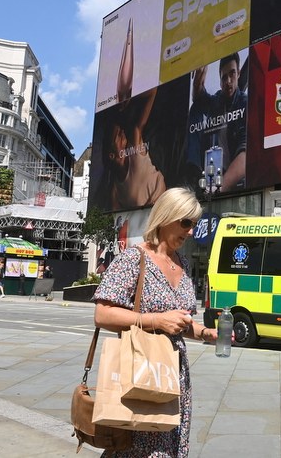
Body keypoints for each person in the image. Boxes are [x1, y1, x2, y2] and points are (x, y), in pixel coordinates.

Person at [93, 187, 220, 458]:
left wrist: (206, 332)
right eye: (185, 223)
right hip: (140, 369)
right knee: (135, 446)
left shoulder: (182, 264)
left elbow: (181, 323)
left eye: (194, 225)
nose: (190, 232)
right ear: (166, 216)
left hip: (173, 374)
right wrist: (155, 321)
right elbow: (103, 314)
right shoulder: (133, 258)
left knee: (169, 445)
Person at [187, 53, 247, 192]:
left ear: (238, 73)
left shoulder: (244, 103)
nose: (228, 81)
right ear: (220, 81)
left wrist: (218, 190)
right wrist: (202, 70)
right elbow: (198, 97)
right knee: (195, 108)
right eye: (224, 77)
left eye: (232, 74)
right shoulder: (218, 100)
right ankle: (192, 170)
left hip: (232, 179)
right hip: (212, 172)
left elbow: (245, 155)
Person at [101, 88, 167, 209]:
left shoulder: (135, 151)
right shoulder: (116, 188)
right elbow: (115, 218)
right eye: (118, 136)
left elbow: (153, 91)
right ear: (111, 155)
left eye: (122, 132)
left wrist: (130, 96)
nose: (123, 134)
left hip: (160, 210)